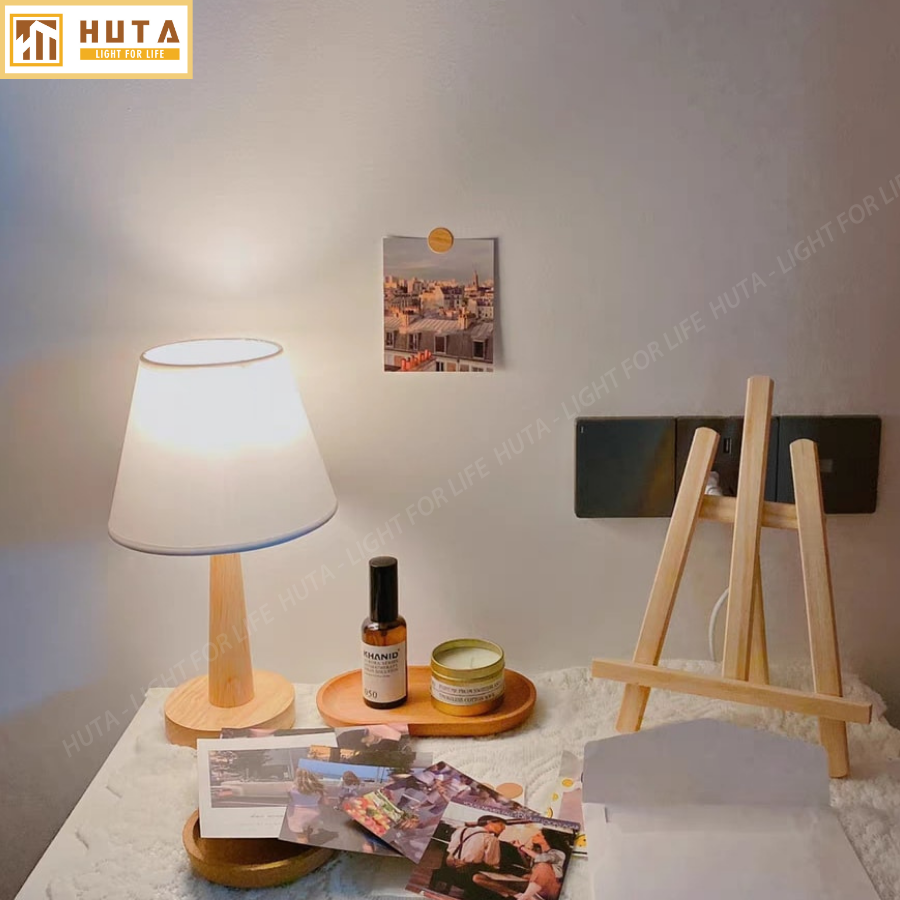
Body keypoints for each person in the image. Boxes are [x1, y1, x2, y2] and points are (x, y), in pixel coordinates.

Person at [445, 815, 508, 880]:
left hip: (450, 865)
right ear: (489, 822)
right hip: (470, 871)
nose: (503, 828)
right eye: (501, 825)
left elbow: (452, 847)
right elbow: (492, 863)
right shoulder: (491, 839)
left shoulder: (462, 830)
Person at [510, 830, 567, 900]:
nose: (533, 836)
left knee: (543, 866)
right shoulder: (538, 851)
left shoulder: (559, 854)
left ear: (546, 839)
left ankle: (524, 897)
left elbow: (542, 859)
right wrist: (522, 853)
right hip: (540, 890)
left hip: (553, 889)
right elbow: (530, 867)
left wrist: (522, 847)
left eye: (538, 835)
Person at [285, 769, 325, 839]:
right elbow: (323, 802)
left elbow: (288, 799)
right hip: (313, 813)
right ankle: (308, 834)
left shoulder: (291, 788)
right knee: (308, 830)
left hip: (297, 815)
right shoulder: (318, 788)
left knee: (301, 837)